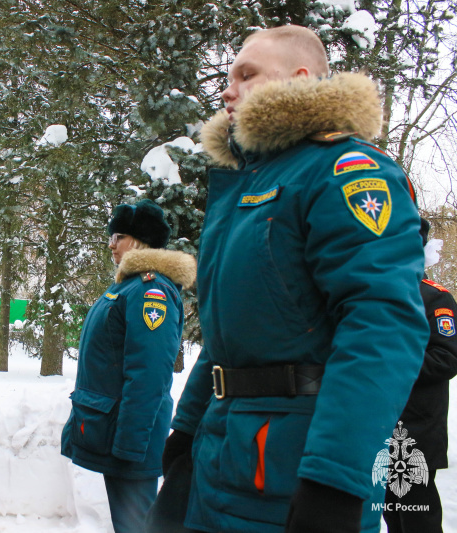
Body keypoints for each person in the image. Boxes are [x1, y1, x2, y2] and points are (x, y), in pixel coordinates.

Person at [158, 25, 429, 533]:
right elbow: (230, 338)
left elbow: (382, 323)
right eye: (228, 76)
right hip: (219, 454)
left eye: (247, 74)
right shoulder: (247, 187)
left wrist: (335, 477)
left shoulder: (344, 169)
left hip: (291, 470)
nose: (227, 89)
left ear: (299, 78)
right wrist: (186, 429)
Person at [61, 199, 196, 533]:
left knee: (136, 526)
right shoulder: (128, 287)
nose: (111, 244)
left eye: (118, 236)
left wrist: (130, 447)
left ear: (139, 239)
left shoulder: (151, 291)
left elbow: (148, 375)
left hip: (130, 442)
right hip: (114, 433)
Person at [382, 219, 457, 532]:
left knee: (418, 514)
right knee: (389, 509)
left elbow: (446, 358)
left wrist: (390, 366)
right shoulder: (378, 298)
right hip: (382, 422)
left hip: (419, 425)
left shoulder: (435, 299)